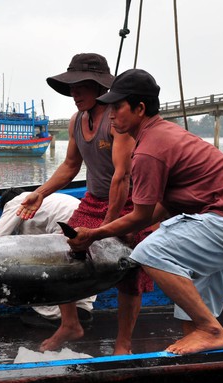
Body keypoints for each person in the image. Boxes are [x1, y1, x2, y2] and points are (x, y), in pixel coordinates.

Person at [69, 68, 223, 355]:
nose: (111, 114)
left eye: (117, 107)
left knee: (150, 252)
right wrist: (141, 227)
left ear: (139, 108)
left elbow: (140, 215)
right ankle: (200, 348)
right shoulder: (164, 134)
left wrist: (95, 234)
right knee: (197, 287)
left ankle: (212, 331)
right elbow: (160, 206)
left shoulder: (150, 149)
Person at [17, 53, 153, 354]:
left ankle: (123, 343)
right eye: (72, 87)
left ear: (99, 87)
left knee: (130, 271)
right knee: (66, 251)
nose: (74, 93)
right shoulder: (78, 120)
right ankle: (69, 323)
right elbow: (69, 166)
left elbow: (122, 177)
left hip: (129, 202)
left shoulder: (117, 121)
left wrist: (107, 228)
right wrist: (41, 193)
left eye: (81, 87)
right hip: (93, 199)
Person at [0, 187, 95, 323]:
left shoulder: (18, 203)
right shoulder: (48, 198)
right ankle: (83, 309)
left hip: (66, 227)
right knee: (84, 266)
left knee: (48, 271)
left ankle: (55, 316)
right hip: (87, 224)